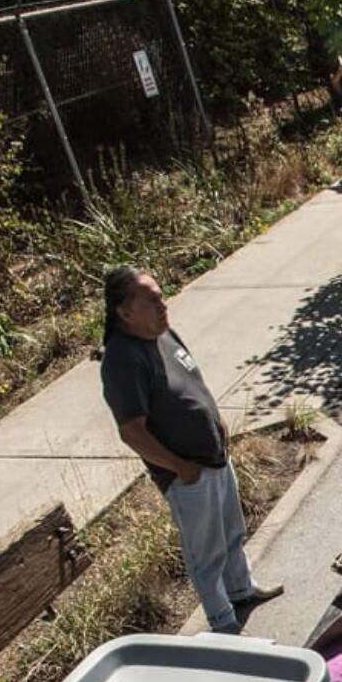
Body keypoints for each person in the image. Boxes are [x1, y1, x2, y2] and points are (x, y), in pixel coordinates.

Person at [99, 266, 282, 635]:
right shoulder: (122, 360)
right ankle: (222, 619)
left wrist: (217, 425)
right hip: (188, 472)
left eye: (161, 295)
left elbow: (191, 382)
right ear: (124, 311)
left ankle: (241, 590)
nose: (162, 304)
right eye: (151, 299)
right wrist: (180, 467)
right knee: (206, 551)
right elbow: (131, 431)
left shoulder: (164, 335)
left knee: (231, 531)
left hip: (214, 456)